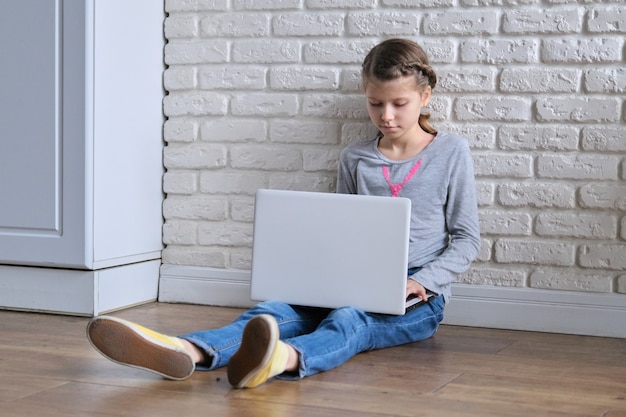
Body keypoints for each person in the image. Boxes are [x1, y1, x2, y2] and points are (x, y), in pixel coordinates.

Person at [86, 38, 481, 389]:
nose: (386, 116)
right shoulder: (356, 158)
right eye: (375, 104)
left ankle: (280, 359)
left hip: (418, 298)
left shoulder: (450, 152)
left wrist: (423, 283)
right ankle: (186, 349)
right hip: (353, 279)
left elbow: (466, 238)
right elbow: (343, 230)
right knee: (273, 310)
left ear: (425, 96)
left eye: (399, 104)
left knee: (349, 320)